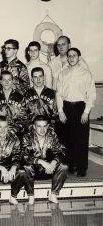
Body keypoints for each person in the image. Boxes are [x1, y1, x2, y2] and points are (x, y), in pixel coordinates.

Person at [56, 48, 96, 177]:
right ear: (67, 58)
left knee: (81, 139)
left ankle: (81, 168)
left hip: (81, 108)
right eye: (69, 56)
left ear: (79, 57)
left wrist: (86, 111)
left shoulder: (86, 74)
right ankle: (71, 165)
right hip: (67, 108)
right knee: (69, 139)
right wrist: (61, 111)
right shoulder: (63, 74)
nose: (71, 58)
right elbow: (59, 94)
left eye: (74, 55)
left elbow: (91, 94)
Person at [22, 115, 68, 204]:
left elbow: (60, 151)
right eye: (39, 126)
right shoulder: (27, 137)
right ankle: (31, 196)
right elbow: (25, 155)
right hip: (33, 171)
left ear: (48, 126)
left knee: (64, 167)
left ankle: (53, 195)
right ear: (34, 127)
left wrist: (54, 162)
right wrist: (41, 162)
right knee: (25, 167)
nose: (42, 129)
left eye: (44, 126)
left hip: (49, 170)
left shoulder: (52, 136)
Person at [0, 71, 27, 136]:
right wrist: (1, 129)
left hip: (17, 132)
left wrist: (14, 130)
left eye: (9, 80)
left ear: (12, 81)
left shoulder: (20, 98)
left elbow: (23, 118)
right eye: (4, 80)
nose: (7, 82)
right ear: (0, 81)